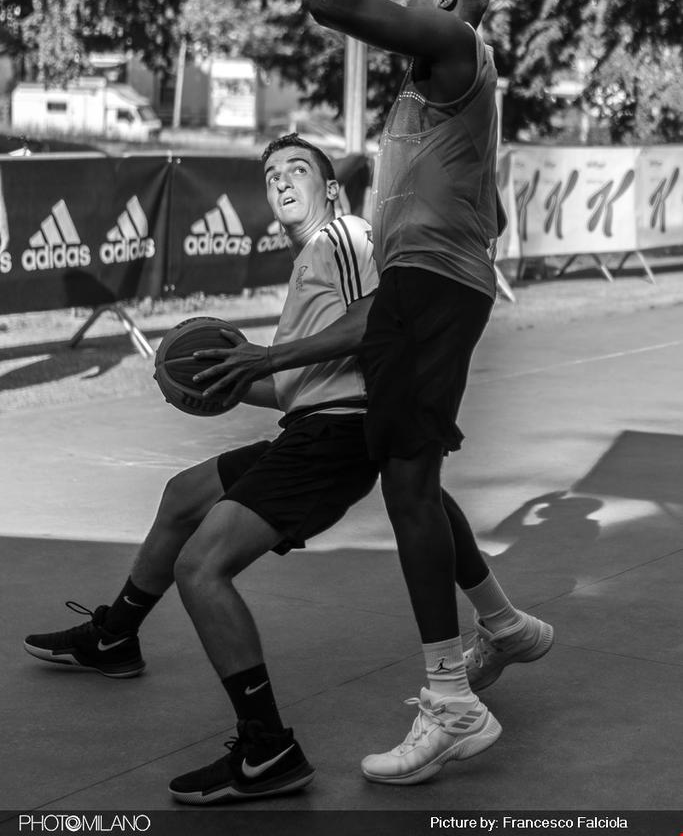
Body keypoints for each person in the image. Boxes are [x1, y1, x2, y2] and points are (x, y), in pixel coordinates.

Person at [24, 135, 546, 802]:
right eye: (271, 173)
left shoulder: (344, 236)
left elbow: (376, 321)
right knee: (183, 495)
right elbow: (302, 387)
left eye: (298, 169)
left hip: (338, 434)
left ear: (331, 189)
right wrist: (221, 379)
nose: (281, 180)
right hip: (313, 425)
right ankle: (115, 636)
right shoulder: (309, 263)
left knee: (201, 568)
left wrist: (264, 358)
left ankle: (267, 749)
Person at [305, 0, 553, 785]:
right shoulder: (433, 84)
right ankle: (502, 624)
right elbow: (478, 209)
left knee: (405, 481)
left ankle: (450, 702)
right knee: (411, 471)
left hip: (432, 289)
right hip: (428, 284)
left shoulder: (454, 44)